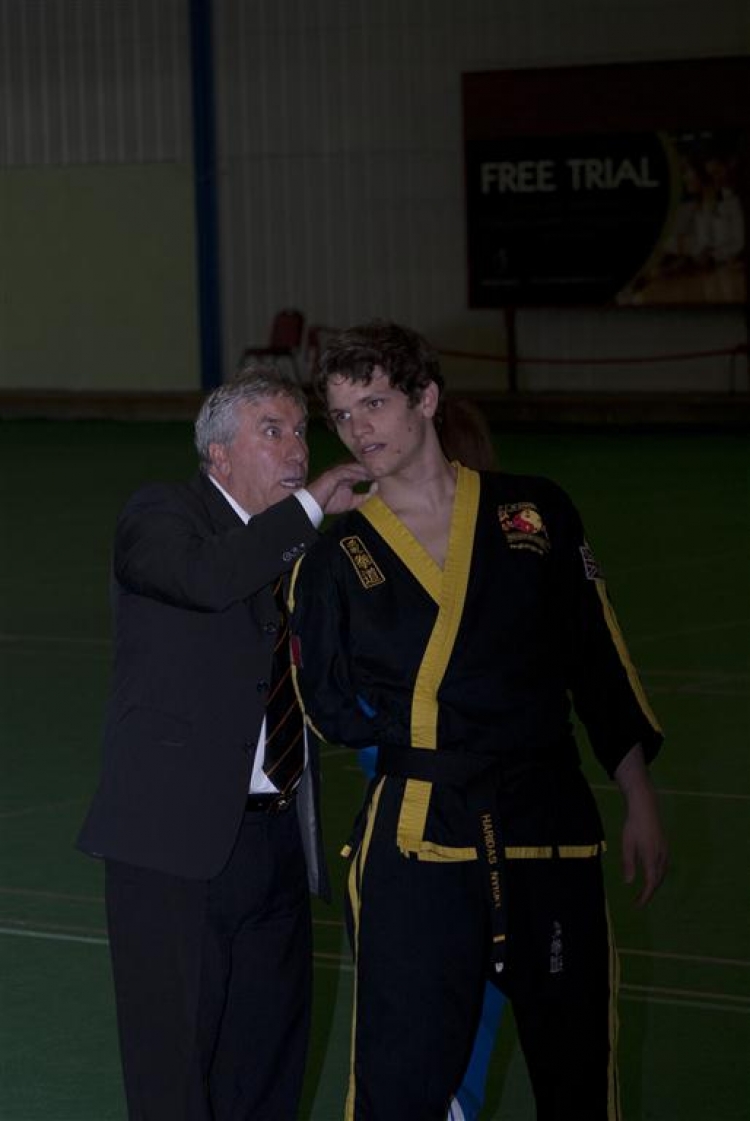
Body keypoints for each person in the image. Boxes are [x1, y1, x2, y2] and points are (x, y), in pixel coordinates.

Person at [290, 320, 668, 1121]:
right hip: (419, 833)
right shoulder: (336, 553)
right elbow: (326, 704)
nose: (358, 429)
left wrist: (638, 794)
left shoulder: (535, 510)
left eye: (375, 403)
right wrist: (422, 724)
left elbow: (597, 658)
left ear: (426, 399)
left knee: (576, 1071)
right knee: (399, 1079)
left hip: (550, 825)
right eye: (343, 414)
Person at [77, 365, 369, 1121]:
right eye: (272, 431)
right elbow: (206, 579)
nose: (296, 448)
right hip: (170, 849)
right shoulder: (161, 515)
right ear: (218, 454)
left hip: (278, 845)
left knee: (268, 1070)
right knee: (174, 1076)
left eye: (300, 430)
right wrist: (311, 508)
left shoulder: (303, 548)